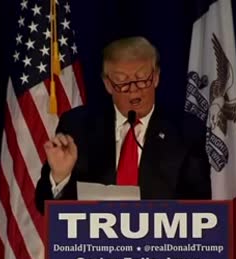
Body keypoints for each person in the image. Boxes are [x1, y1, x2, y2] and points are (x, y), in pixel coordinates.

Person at [35, 36, 211, 213]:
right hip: (93, 240)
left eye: (142, 79)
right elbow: (44, 206)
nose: (134, 89)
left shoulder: (186, 131)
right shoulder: (78, 126)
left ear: (156, 77)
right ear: (108, 84)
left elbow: (199, 209)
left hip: (161, 239)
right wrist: (60, 176)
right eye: (122, 82)